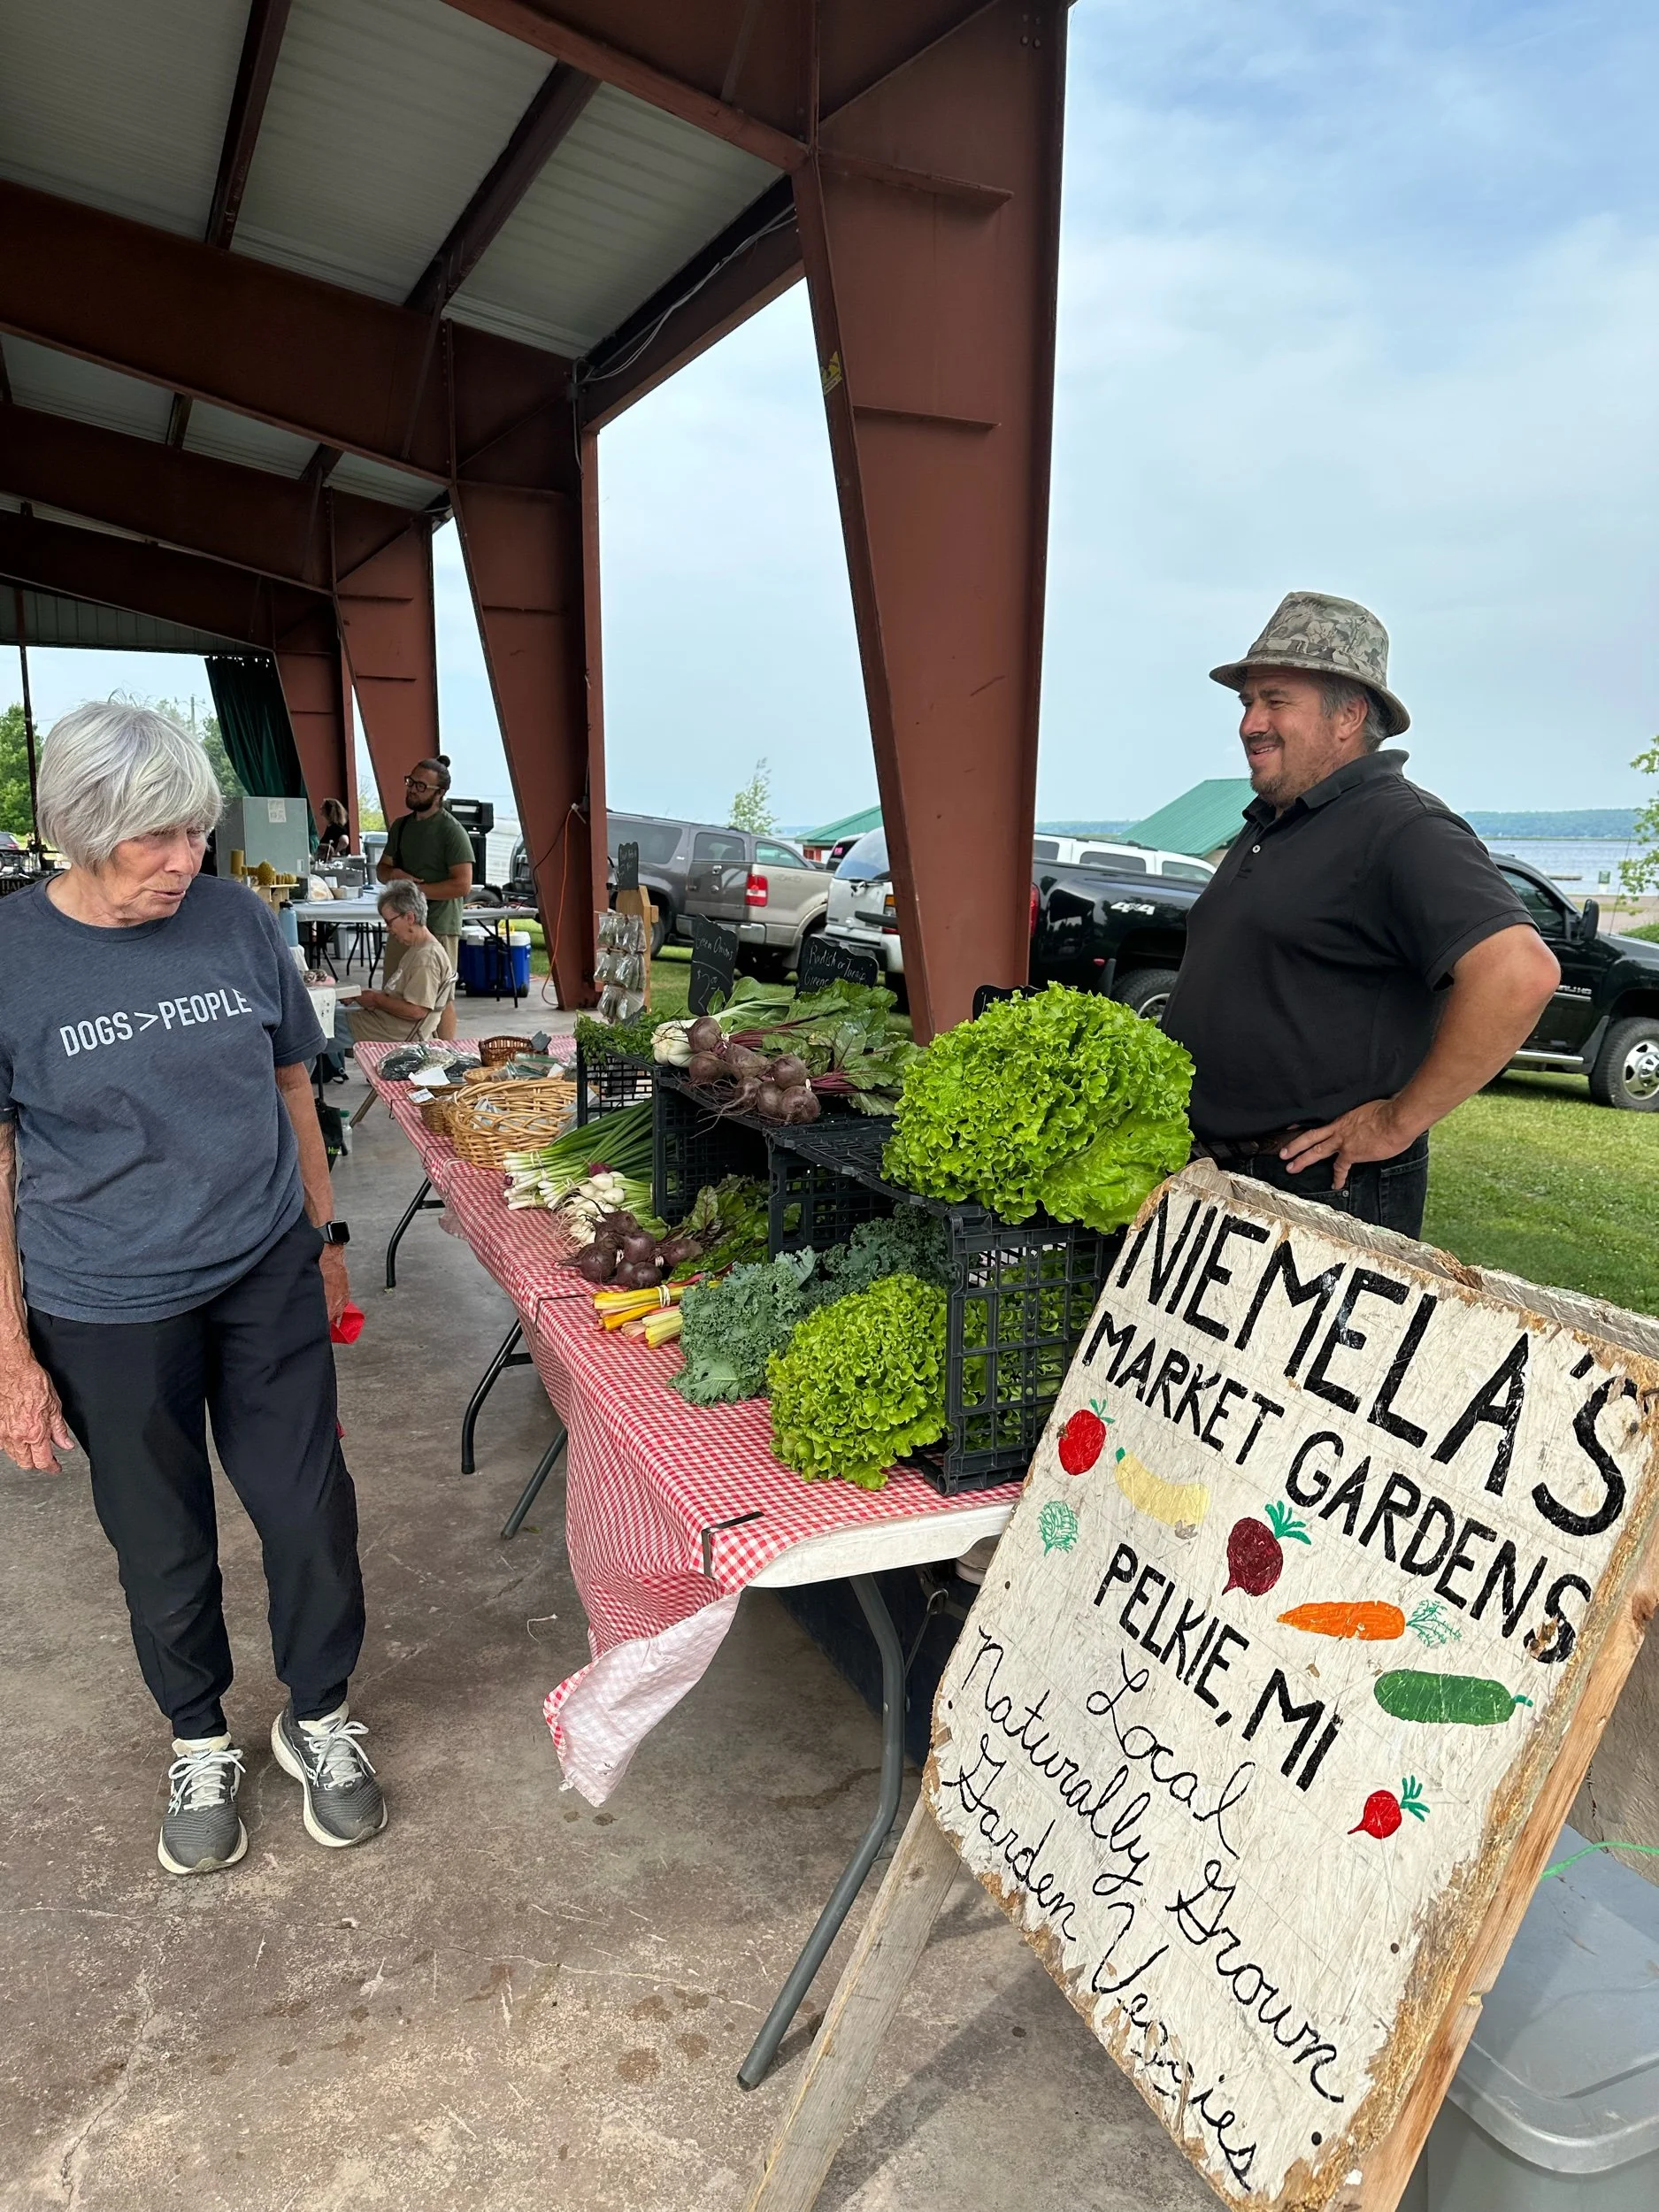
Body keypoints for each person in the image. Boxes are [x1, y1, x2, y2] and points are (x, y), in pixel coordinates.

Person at [0, 703, 386, 1877]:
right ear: (79, 830)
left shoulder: (236, 919)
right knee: (159, 1542)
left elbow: (290, 1087)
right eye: (151, 841)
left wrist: (321, 1241)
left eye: (192, 836)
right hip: (104, 1301)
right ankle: (199, 1735)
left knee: (306, 1505)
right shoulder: (10, 953)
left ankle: (315, 1716)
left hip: (262, 1265)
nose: (181, 865)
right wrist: (12, 1357)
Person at [1161, 592, 1561, 1236]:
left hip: (1320, 1194)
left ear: (1348, 714)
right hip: (1221, 1181)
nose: (1250, 724)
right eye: (1247, 702)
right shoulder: (1276, 819)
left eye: (1275, 700)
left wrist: (1396, 1121)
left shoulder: (1400, 826)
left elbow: (1518, 973)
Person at [378, 756, 472, 1041]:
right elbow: (382, 870)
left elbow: (463, 884)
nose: (412, 789)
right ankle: (397, 1059)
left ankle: (447, 1057)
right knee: (394, 993)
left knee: (440, 1000)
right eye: (410, 781)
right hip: (401, 922)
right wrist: (396, 874)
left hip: (439, 924)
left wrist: (417, 891)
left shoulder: (451, 831)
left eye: (421, 785)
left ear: (439, 793)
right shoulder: (401, 826)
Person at [344, 880, 456, 1043]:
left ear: (409, 917)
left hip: (394, 1032)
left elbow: (417, 1011)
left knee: (315, 1028)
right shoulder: (419, 949)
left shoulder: (426, 958)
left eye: (389, 922)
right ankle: (332, 1069)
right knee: (323, 1021)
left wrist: (376, 999)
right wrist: (369, 995)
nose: (387, 928)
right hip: (388, 1024)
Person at [314, 797, 350, 862]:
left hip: (334, 863)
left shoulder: (336, 828)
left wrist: (335, 853)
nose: (320, 808)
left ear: (329, 810)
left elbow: (345, 841)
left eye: (323, 807)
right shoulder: (331, 827)